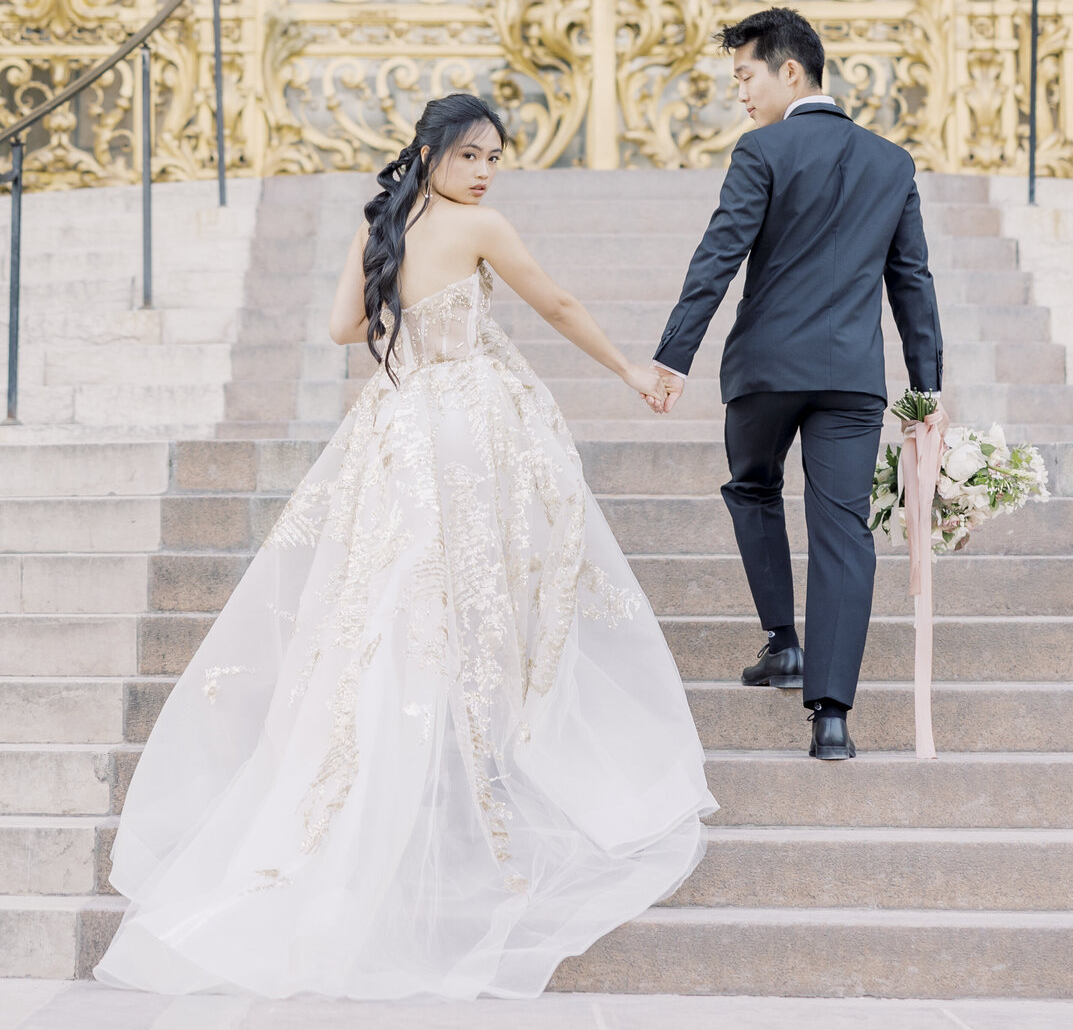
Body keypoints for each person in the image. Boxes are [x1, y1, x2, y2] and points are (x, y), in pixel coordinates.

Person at [98, 93, 715, 1000]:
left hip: (397, 425)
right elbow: (556, 301)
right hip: (464, 424)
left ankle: (415, 775)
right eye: (470, 156)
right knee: (450, 599)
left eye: (494, 159)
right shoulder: (481, 228)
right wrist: (629, 369)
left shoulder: (381, 222)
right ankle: (467, 767)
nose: (484, 172)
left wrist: (405, 304)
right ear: (429, 151)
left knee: (395, 603)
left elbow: (347, 329)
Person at [653, 8, 946, 760]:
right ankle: (832, 720)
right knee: (843, 530)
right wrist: (926, 389)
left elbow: (717, 257)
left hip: (765, 371)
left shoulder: (763, 150)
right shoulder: (892, 162)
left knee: (752, 486)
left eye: (745, 76)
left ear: (791, 71)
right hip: (853, 378)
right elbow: (912, 282)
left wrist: (673, 357)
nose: (740, 95)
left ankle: (782, 642)